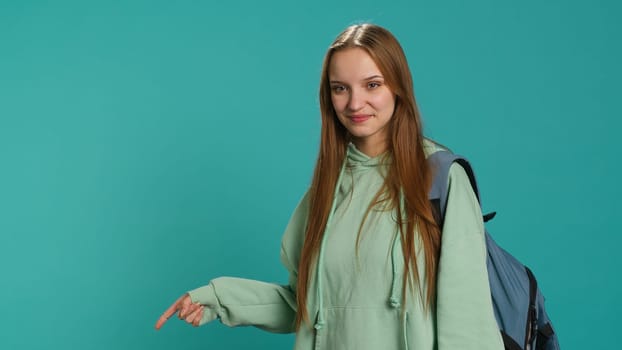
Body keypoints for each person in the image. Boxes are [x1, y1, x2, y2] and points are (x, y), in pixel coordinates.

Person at [155, 23, 504, 350]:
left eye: (372, 84)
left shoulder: (438, 178)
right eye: (340, 88)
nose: (354, 103)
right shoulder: (324, 191)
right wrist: (217, 298)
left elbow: (467, 317)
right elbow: (304, 305)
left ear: (398, 87)